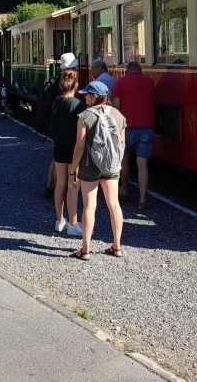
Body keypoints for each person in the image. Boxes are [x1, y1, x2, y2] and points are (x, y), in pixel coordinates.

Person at [69, 81, 126, 260]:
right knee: (114, 204)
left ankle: (85, 250)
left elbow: (79, 147)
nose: (84, 97)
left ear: (94, 96)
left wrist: (73, 170)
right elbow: (122, 145)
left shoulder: (84, 116)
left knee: (89, 206)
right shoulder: (118, 115)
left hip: (90, 166)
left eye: (87, 94)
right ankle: (117, 246)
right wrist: (115, 163)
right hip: (112, 166)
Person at [112, 61, 157, 209]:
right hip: (147, 127)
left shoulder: (121, 82)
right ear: (140, 70)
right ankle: (143, 199)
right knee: (143, 163)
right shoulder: (149, 82)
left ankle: (124, 189)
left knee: (125, 158)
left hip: (127, 127)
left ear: (127, 71)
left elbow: (117, 105)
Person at [51, 68, 85, 236]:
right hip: (73, 149)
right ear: (76, 86)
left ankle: (59, 220)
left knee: (60, 184)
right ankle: (73, 223)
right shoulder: (79, 106)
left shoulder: (56, 103)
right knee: (73, 185)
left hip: (58, 146)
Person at [43, 52, 78, 199]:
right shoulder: (64, 84)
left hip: (56, 129)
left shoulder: (55, 80)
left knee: (56, 160)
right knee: (63, 166)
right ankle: (58, 192)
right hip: (65, 131)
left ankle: (51, 188)